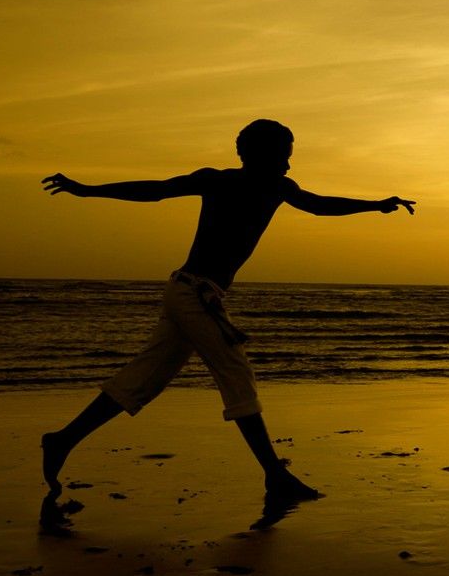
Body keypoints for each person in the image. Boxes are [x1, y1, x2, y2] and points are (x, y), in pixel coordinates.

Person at [39, 119, 416, 514]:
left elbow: (320, 205)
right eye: (283, 156)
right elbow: (155, 191)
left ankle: (62, 440)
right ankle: (275, 474)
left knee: (143, 379)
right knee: (236, 374)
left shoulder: (278, 187)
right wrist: (87, 190)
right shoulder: (218, 181)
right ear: (258, 153)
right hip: (192, 294)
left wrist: (374, 205)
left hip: (194, 294)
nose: (288, 166)